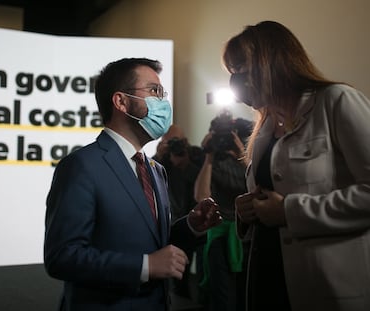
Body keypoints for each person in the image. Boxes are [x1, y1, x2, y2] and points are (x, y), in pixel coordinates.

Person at [44, 57, 222, 311]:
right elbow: (61, 257)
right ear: (121, 101)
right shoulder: (81, 165)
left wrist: (191, 226)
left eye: (163, 93)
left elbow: (151, 241)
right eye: (154, 91)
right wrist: (145, 266)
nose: (163, 102)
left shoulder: (155, 170)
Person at [225, 21, 370, 311]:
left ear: (273, 60)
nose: (236, 81)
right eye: (232, 72)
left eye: (242, 68)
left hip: (328, 283)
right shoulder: (265, 125)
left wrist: (289, 211)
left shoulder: (336, 101)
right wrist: (249, 210)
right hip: (268, 274)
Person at [194, 111, 251, 311]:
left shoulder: (246, 159)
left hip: (246, 234)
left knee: (247, 294)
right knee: (223, 295)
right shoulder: (213, 161)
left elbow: (258, 187)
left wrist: (241, 153)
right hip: (220, 233)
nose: (225, 140)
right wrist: (208, 157)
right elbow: (201, 197)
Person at [153, 124, 205, 299]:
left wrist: (185, 166)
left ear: (186, 141)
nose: (176, 146)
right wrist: (158, 157)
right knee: (176, 275)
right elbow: (148, 181)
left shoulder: (196, 155)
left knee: (203, 273)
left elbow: (203, 183)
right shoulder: (161, 160)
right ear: (163, 143)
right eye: (171, 142)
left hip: (198, 222)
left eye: (179, 141)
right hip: (173, 223)